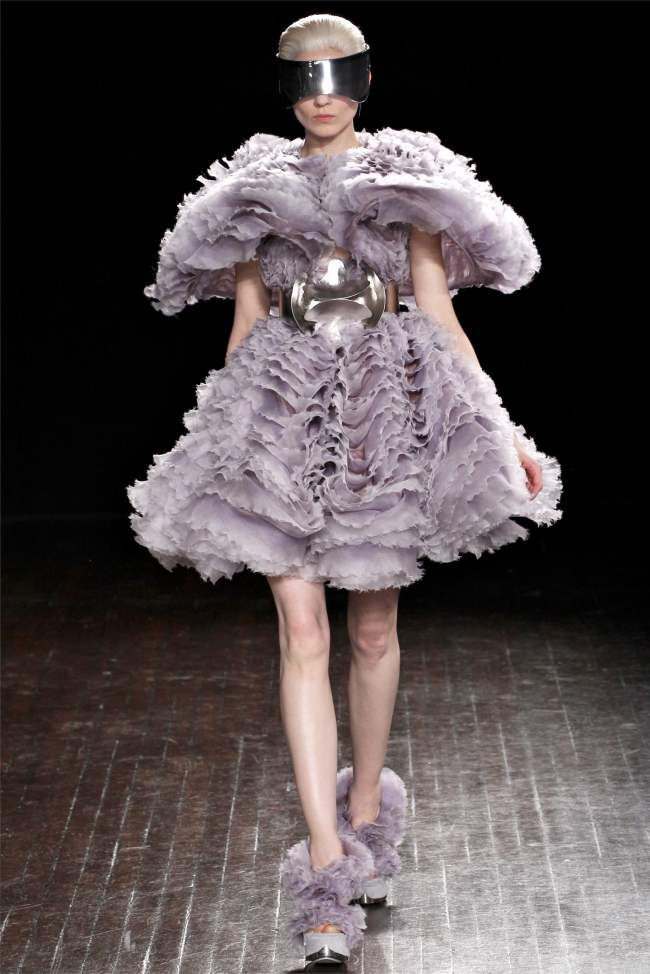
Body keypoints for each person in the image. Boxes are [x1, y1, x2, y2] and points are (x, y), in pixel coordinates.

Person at [126, 12, 563, 970]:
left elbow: (438, 309)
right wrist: (218, 440)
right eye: (303, 76)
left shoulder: (404, 178)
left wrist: (502, 431)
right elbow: (246, 316)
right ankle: (325, 870)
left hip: (384, 414)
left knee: (370, 630)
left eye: (338, 74)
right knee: (303, 632)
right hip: (281, 410)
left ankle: (365, 815)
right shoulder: (255, 186)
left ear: (363, 82)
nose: (321, 93)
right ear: (284, 87)